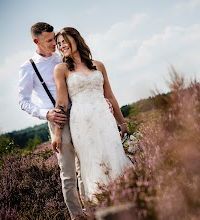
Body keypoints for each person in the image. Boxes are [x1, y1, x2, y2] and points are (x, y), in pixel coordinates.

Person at [51, 27, 133, 201]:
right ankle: (103, 204)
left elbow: (109, 96)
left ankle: (127, 198)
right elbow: (62, 102)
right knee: (93, 162)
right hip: (82, 122)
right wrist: (58, 134)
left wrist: (122, 123)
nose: (61, 46)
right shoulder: (61, 69)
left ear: (76, 39)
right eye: (59, 44)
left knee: (114, 156)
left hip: (105, 118)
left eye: (64, 41)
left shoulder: (99, 65)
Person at [18, 22, 86, 219]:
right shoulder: (28, 67)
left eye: (54, 38)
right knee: (68, 174)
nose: (55, 43)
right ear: (36, 41)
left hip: (81, 115)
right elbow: (22, 101)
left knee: (85, 166)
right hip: (57, 120)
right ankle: (78, 217)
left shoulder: (63, 57)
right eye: (49, 40)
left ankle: (92, 209)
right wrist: (45, 114)